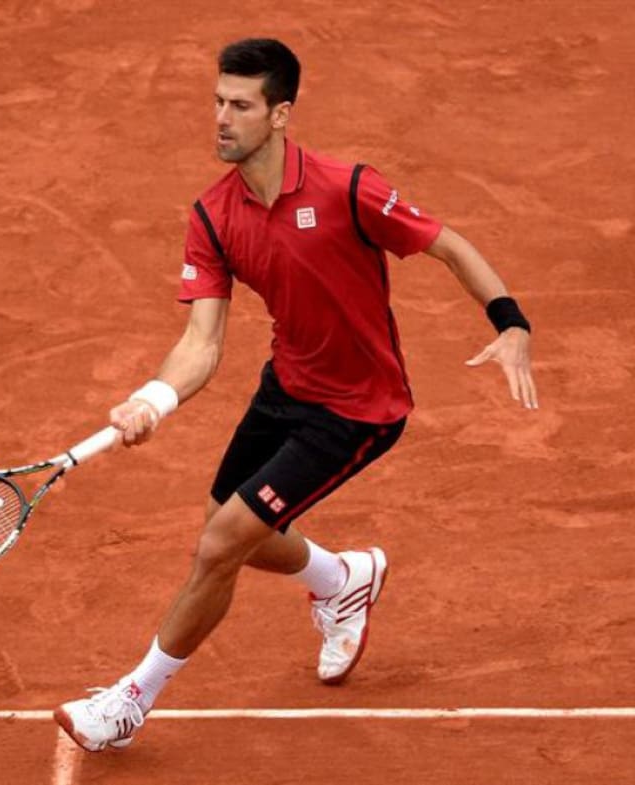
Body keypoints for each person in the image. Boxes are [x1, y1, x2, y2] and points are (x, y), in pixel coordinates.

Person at [54, 38, 537, 752]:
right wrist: (153, 398)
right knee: (234, 524)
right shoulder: (214, 215)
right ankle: (342, 578)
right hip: (287, 386)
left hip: (357, 408)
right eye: (218, 101)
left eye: (240, 105)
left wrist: (511, 322)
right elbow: (202, 342)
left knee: (220, 543)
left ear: (280, 114)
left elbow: (448, 244)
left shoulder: (348, 188)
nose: (221, 117)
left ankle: (131, 698)